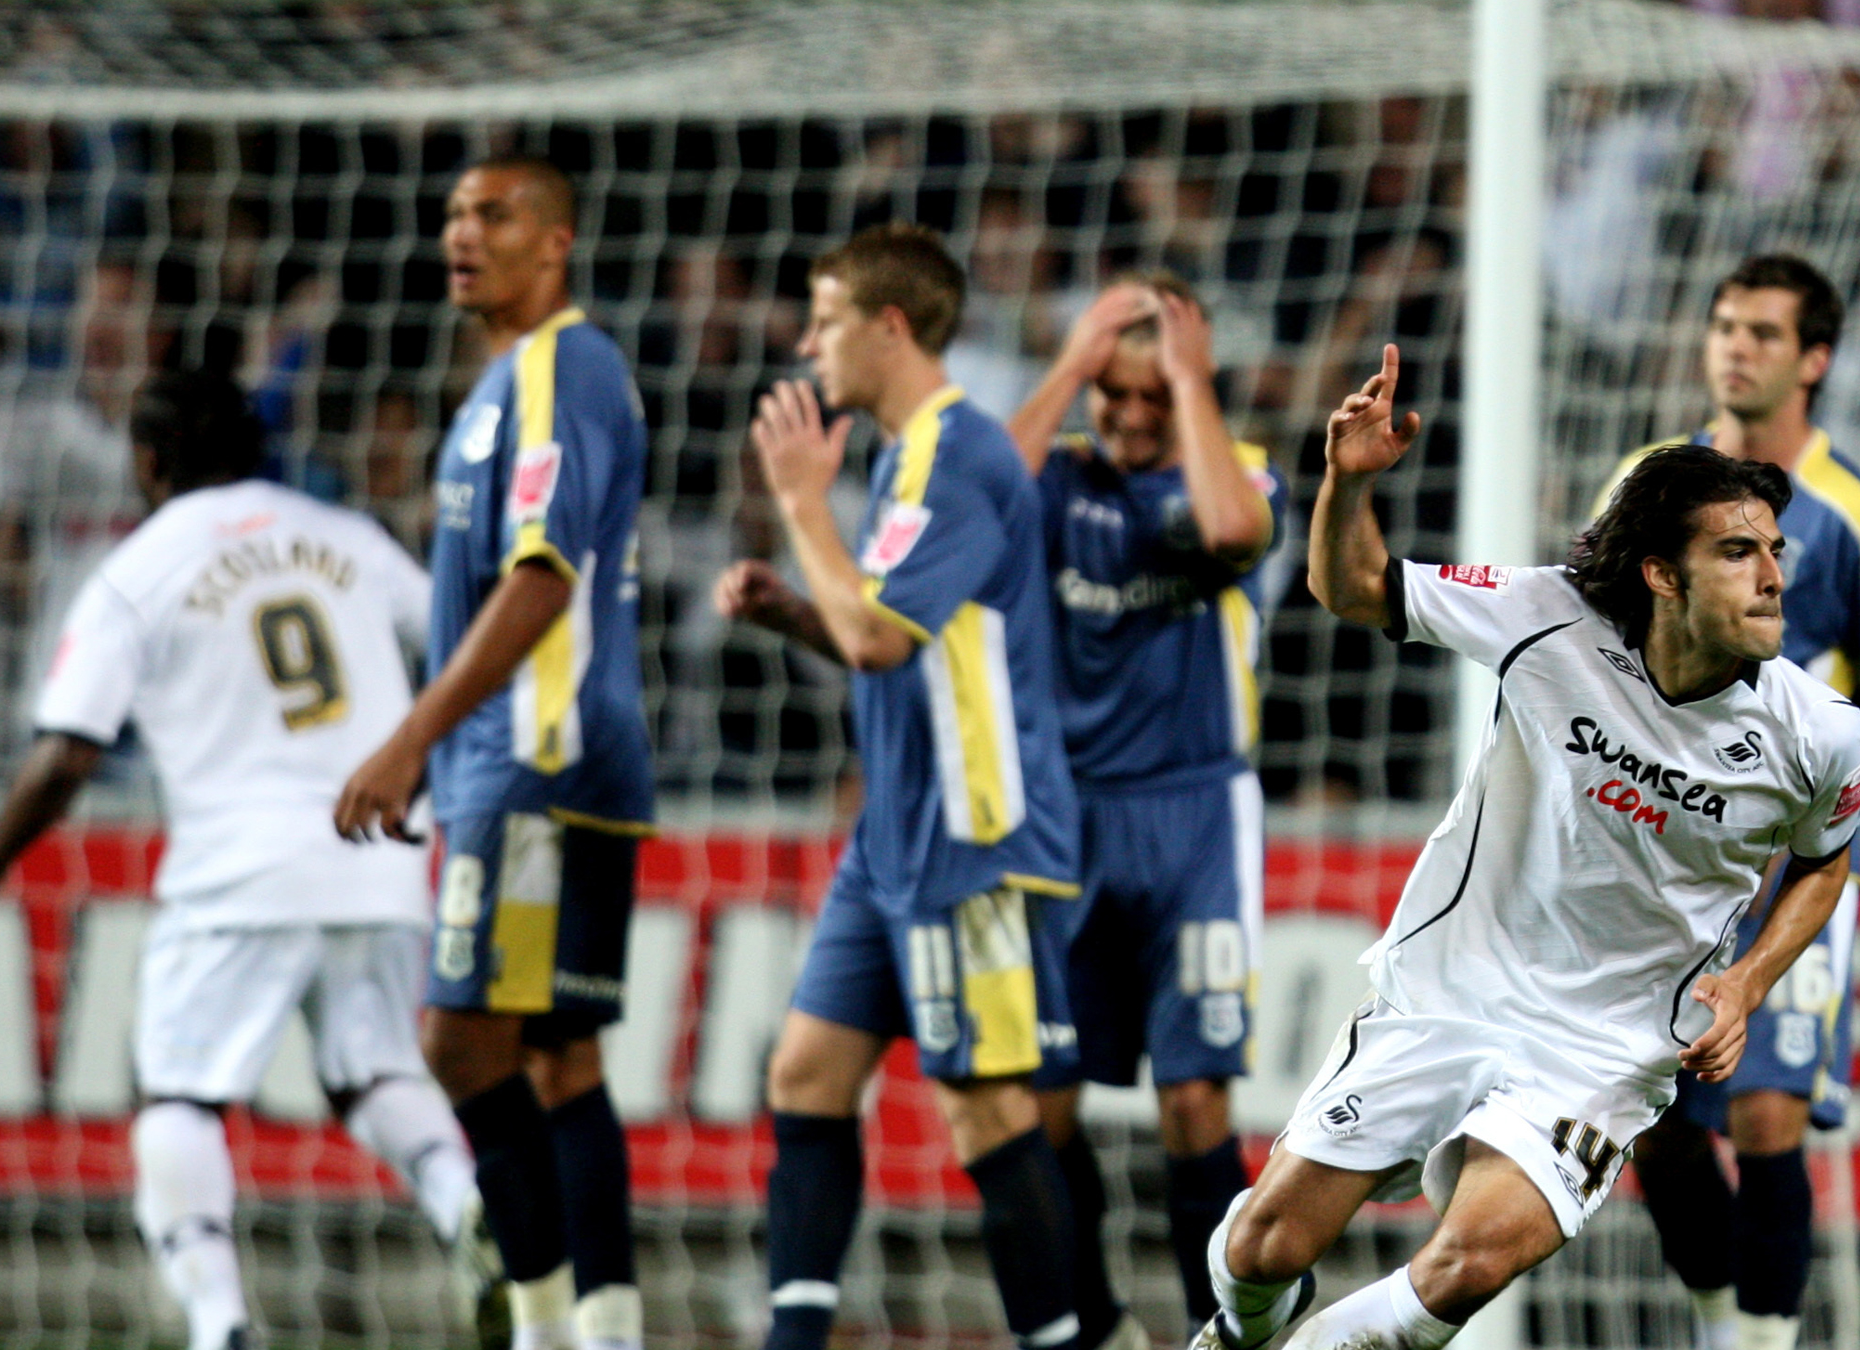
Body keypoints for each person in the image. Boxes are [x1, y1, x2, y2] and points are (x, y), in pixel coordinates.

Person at [1194, 351, 1860, 1350]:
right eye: (1738, 554)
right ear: (1660, 574)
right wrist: (1349, 482)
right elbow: (1353, 588)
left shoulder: (1822, 734)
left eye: (1773, 550)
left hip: (1601, 1050)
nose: (1774, 576)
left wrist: (1747, 982)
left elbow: (1827, 861)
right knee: (1262, 1250)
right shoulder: (1547, 617)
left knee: (1464, 1266)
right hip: (1449, 991)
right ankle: (1245, 1323)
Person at [0, 370, 496, 1350]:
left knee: (180, 1096)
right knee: (369, 1070)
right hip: (381, 856)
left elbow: (68, 748)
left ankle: (220, 1322)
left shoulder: (137, 569)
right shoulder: (346, 537)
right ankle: (465, 1204)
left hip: (238, 869)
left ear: (146, 462)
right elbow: (466, 647)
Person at [712, 223, 1085, 1350]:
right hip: (896, 834)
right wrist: (792, 609)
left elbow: (877, 638)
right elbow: (894, 639)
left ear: (890, 326)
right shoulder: (903, 458)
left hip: (973, 830)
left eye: (825, 320)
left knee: (985, 1113)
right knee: (807, 1070)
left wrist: (801, 504)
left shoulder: (953, 454)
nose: (807, 342)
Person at [1598, 255, 1860, 1350]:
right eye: (1723, 325)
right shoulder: (1647, 486)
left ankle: (1760, 1344)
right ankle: (1720, 1324)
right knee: (1652, 1131)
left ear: (1814, 360)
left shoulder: (1859, 516)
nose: (1734, 345)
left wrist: (1809, 812)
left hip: (1789, 869)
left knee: (1766, 1110)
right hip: (1658, 853)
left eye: (1761, 330)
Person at [334, 155, 655, 1350]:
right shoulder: (494, 391)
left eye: (495, 213)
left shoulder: (564, 366)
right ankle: (601, 1330)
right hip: (537, 760)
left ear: (556, 240)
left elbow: (541, 577)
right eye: (455, 211)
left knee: (459, 1042)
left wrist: (413, 738)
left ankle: (538, 1322)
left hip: (537, 756)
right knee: (558, 1057)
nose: (464, 232)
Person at [1004, 273, 1286, 1342]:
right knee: (1044, 1104)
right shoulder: (1055, 476)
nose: (1124, 416)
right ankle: (1096, 1327)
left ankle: (1223, 1335)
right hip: (1063, 821)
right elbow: (967, 499)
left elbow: (1228, 528)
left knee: (1194, 1105)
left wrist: (1188, 380)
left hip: (1196, 817)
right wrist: (1069, 366)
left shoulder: (1234, 472)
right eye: (1107, 394)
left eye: (1148, 395)